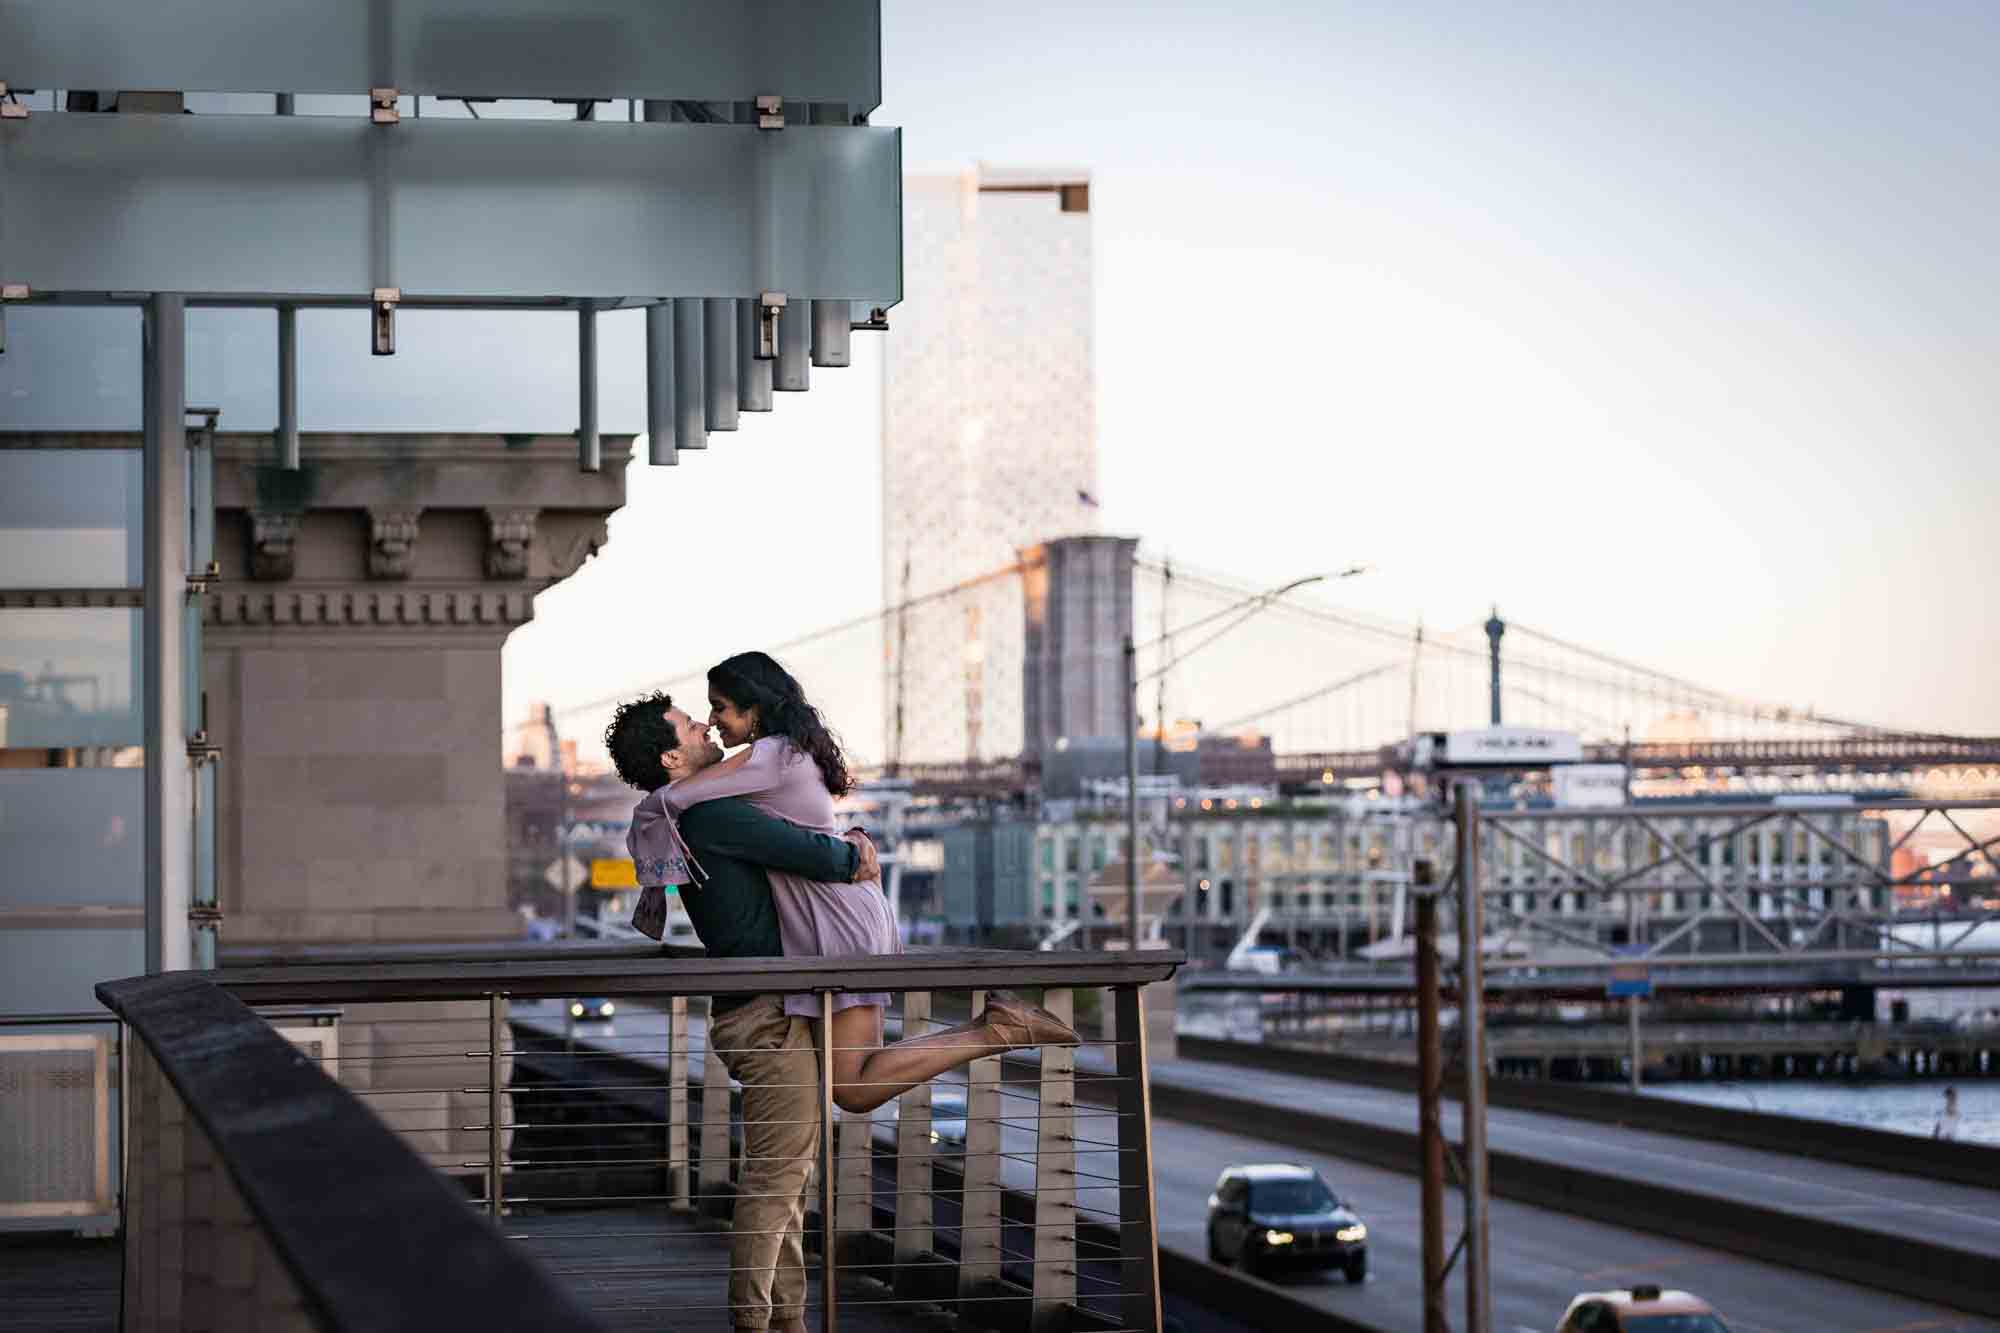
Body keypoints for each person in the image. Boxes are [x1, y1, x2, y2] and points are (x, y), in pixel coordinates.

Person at [605, 690, 1074, 1333]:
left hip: (766, 1010)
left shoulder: (683, 816)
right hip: (764, 1017)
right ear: (671, 754)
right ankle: (752, 1321)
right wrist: (855, 848)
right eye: (691, 724)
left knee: (788, 1183)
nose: (706, 725)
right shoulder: (712, 817)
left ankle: (787, 1319)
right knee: (775, 1183)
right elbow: (823, 857)